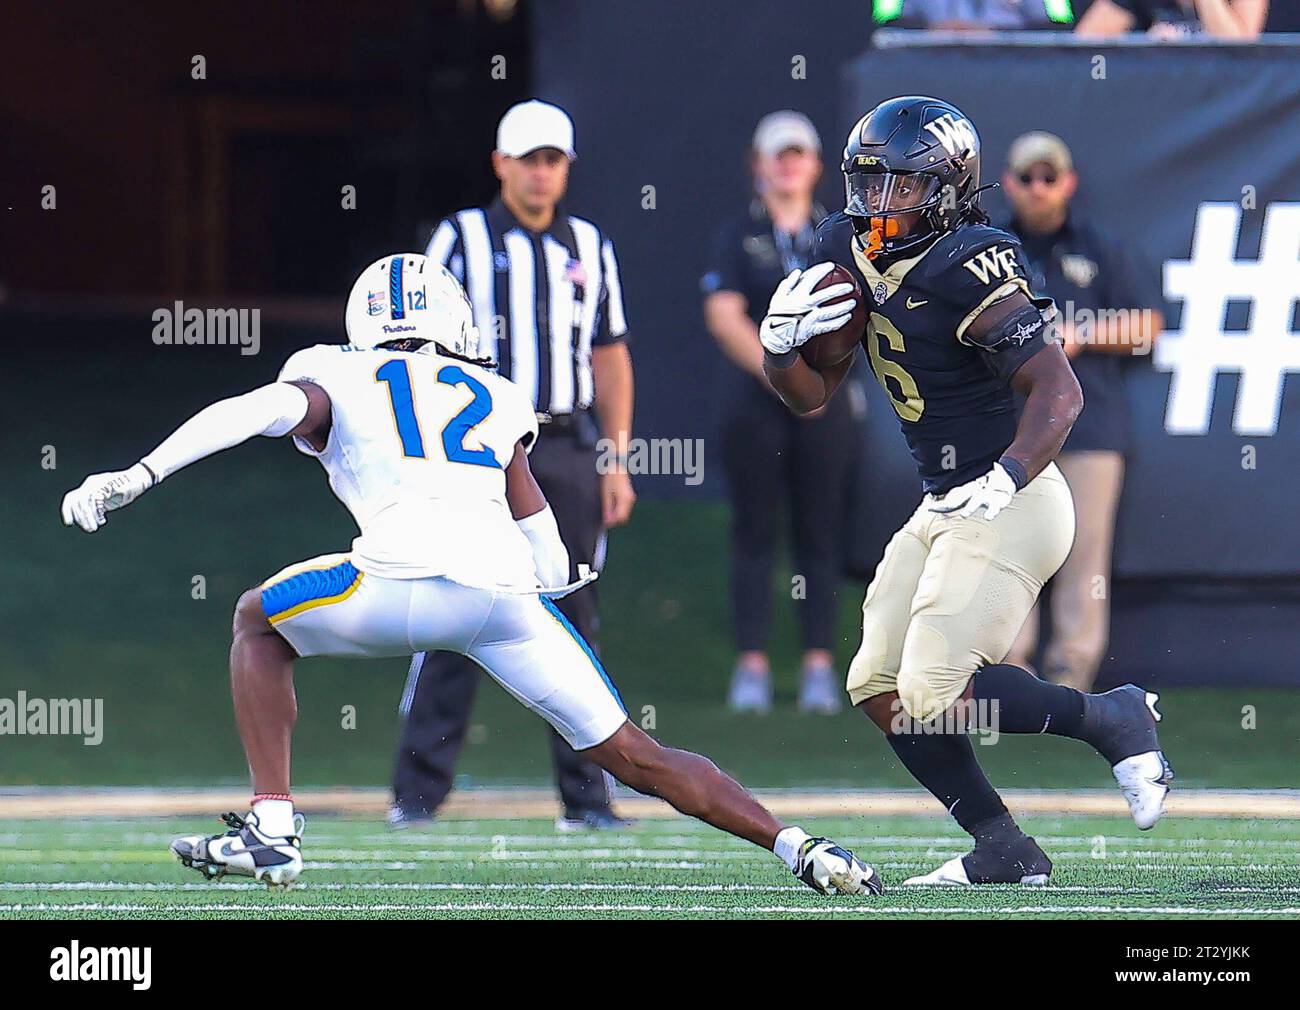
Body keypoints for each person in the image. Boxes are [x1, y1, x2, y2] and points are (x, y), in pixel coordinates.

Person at [59, 255, 881, 897]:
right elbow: (539, 530)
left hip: (392, 583)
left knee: (254, 622)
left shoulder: (335, 372)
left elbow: (251, 413)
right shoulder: (492, 392)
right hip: (501, 600)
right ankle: (797, 846)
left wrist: (138, 474)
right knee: (637, 754)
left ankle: (273, 825)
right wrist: (556, 583)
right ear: (453, 319)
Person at [758, 96, 1172, 886]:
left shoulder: (973, 260)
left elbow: (1060, 392)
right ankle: (1002, 845)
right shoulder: (843, 244)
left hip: (1015, 494)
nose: (880, 203)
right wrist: (781, 351)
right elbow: (812, 395)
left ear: (947, 188)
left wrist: (1007, 475)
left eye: (902, 186)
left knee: (931, 685)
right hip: (945, 500)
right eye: (870, 183)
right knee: (877, 684)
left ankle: (1111, 716)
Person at [396, 100, 636, 830]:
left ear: (565, 167)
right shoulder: (459, 240)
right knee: (450, 611)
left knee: (574, 616)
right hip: (475, 453)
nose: (540, 172)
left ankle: (587, 797)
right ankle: (418, 795)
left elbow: (610, 350)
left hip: (563, 444)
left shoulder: (590, 246)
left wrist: (617, 455)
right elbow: (412, 346)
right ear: (500, 163)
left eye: (552, 159)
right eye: (527, 159)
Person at [701, 111, 857, 715]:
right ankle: (753, 666)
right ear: (759, 164)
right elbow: (723, 314)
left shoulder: (840, 233)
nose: (789, 164)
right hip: (756, 400)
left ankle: (819, 663)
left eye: (799, 154)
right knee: (754, 530)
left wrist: (815, 385)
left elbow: (866, 311)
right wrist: (782, 376)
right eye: (778, 154)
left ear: (817, 166)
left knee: (821, 531)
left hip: (827, 401)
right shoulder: (738, 233)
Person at [999, 132, 1164, 691]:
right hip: (1012, 425)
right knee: (1010, 547)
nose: (1038, 189)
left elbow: (1148, 327)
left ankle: (1071, 673)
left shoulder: (1100, 247)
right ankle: (1011, 671)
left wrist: (1082, 334)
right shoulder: (991, 250)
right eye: (1027, 178)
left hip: (1090, 425)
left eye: (1049, 177)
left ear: (1068, 182)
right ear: (1008, 183)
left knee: (1083, 552)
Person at [1076, 0, 1267, 38]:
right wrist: (1146, 46)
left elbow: (1241, 50)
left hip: (1226, 100)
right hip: (1164, 96)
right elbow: (1084, 45)